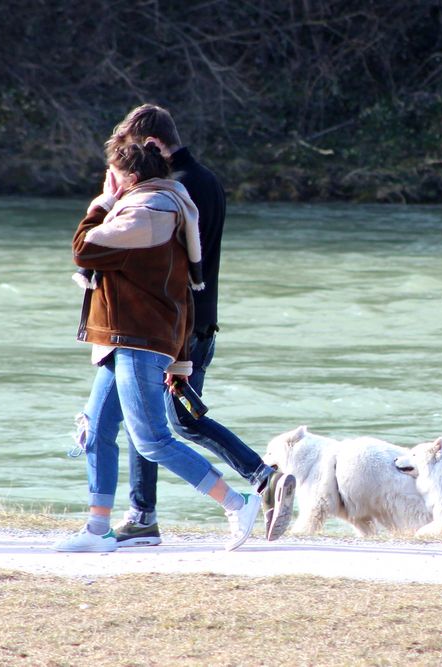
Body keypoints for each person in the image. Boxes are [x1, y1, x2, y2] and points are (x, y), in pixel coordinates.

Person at [99, 104, 295, 547]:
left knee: (152, 422)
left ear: (152, 145)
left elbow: (172, 269)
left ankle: (148, 513)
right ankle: (259, 478)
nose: (133, 167)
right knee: (169, 422)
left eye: (134, 153)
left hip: (177, 325)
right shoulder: (206, 181)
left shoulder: (174, 192)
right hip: (201, 321)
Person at [52, 140, 261, 553]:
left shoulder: (144, 214)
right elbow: (182, 291)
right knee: (96, 431)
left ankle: (239, 503)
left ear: (128, 178)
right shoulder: (157, 208)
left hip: (137, 338)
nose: (109, 181)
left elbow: (84, 247)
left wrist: (102, 202)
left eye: (112, 174)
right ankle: (98, 530)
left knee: (152, 440)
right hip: (124, 337)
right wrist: (180, 358)